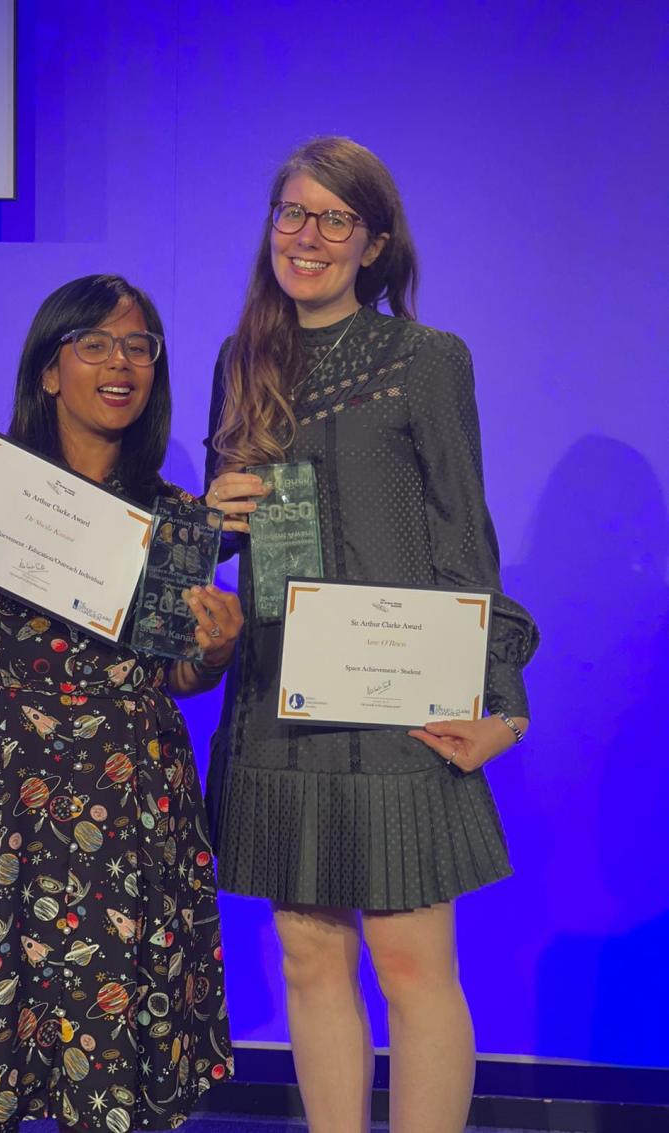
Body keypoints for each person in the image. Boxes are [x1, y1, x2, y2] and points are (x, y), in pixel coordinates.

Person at [203, 138, 539, 1133]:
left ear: (374, 244)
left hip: (402, 701)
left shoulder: (426, 360)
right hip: (278, 701)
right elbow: (253, 544)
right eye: (289, 213)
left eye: (332, 219)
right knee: (308, 954)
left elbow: (462, 533)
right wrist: (214, 519)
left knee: (410, 962)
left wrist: (502, 705)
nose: (305, 236)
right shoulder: (243, 360)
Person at [0, 274, 240, 1133]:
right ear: (49, 369)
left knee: (107, 1058)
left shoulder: (176, 519)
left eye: (139, 346)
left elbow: (176, 675)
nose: (121, 363)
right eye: (97, 344)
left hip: (124, 805)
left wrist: (213, 651)